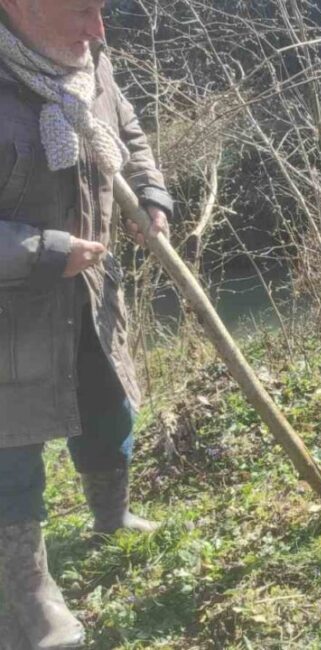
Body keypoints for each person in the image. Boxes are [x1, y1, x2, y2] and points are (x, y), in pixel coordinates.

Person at [0, 1, 174, 647]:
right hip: (7, 313)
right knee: (8, 454)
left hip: (88, 290)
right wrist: (42, 251)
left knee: (109, 408)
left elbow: (126, 130)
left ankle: (111, 515)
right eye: (80, 10)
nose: (99, 29)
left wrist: (152, 194)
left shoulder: (86, 59)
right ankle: (27, 600)